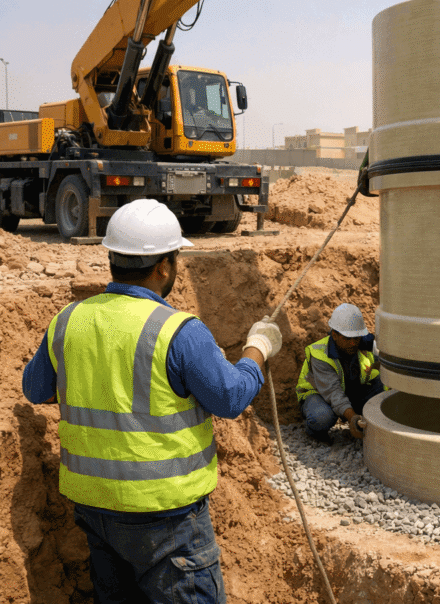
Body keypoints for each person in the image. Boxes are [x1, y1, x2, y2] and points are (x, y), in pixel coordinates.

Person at [22, 199, 282, 603]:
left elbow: (35, 389)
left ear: (113, 258)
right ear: (163, 267)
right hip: (167, 520)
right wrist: (257, 350)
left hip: (96, 510)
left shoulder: (68, 320)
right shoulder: (178, 331)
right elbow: (230, 397)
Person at [295, 303, 385, 444]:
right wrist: (352, 418)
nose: (353, 343)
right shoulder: (320, 354)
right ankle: (314, 431)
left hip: (351, 391)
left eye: (356, 338)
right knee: (321, 417)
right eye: (347, 339)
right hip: (318, 394)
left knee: (383, 390)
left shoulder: (365, 343)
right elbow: (333, 393)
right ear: (335, 335)